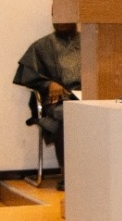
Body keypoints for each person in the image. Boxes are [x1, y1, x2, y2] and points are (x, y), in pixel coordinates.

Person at [13, 21, 82, 188]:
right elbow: (29, 75)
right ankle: (68, 175)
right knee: (64, 115)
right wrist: (48, 84)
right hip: (58, 102)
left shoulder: (90, 41)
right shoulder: (42, 46)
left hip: (88, 98)